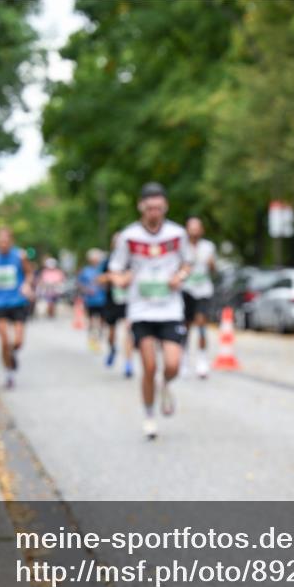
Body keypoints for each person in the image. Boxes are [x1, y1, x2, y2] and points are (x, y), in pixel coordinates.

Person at [108, 182, 191, 439]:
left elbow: (187, 264)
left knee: (173, 365)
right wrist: (120, 279)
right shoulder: (129, 236)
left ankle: (165, 385)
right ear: (141, 207)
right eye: (150, 208)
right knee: (149, 366)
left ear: (165, 207)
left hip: (170, 309)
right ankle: (149, 415)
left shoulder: (177, 234)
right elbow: (115, 269)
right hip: (141, 310)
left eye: (159, 208)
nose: (154, 212)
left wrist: (180, 276)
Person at [0, 227, 35, 389]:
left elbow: (29, 273)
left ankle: (13, 355)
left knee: (18, 342)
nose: (3, 244)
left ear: (11, 241)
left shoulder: (20, 256)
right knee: (5, 341)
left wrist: (27, 285)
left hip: (17, 302)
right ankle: (9, 373)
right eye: (0, 241)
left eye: (6, 241)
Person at [181, 216, 216, 378]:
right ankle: (184, 359)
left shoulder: (208, 247)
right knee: (185, 327)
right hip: (186, 290)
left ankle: (202, 360)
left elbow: (214, 270)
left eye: (197, 228)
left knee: (201, 323)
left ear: (201, 230)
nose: (194, 231)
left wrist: (211, 264)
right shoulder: (181, 247)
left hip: (203, 290)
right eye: (191, 228)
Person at [98, 232, 134, 377]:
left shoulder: (133, 260)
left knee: (129, 331)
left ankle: (128, 363)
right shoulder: (108, 261)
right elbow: (99, 279)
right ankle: (113, 348)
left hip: (129, 300)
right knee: (111, 333)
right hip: (112, 300)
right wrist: (111, 277)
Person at [77, 249, 107, 352]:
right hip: (90, 300)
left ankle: (99, 337)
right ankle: (91, 338)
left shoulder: (103, 270)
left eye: (97, 259)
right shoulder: (85, 270)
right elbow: (79, 283)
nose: (95, 260)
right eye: (94, 259)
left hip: (102, 300)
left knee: (102, 321)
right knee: (91, 320)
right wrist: (85, 289)